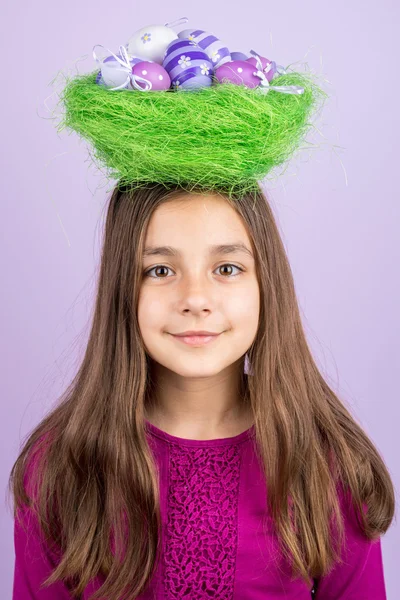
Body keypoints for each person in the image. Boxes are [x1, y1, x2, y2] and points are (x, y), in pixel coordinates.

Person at [9, 182, 394, 599]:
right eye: (160, 270)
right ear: (122, 289)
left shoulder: (329, 463)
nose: (195, 299)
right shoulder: (60, 467)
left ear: (268, 283)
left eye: (226, 268)